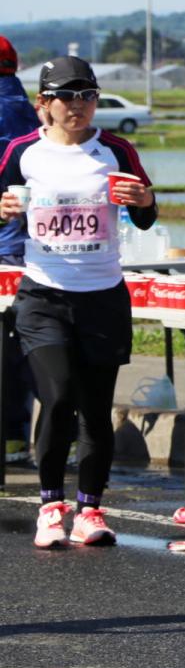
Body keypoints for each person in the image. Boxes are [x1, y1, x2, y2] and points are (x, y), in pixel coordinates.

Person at [0, 56, 156, 548]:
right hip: (43, 295)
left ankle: (90, 508)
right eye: (66, 97)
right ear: (44, 103)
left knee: (94, 408)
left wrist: (143, 202)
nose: (78, 106)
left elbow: (148, 215)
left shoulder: (115, 150)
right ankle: (51, 505)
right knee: (59, 395)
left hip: (103, 296)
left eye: (86, 95)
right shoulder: (23, 152)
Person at [0, 35, 38, 466]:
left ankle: (10, 438)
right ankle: (14, 438)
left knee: (11, 347)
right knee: (19, 344)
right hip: (23, 241)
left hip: (8, 242)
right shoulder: (22, 104)